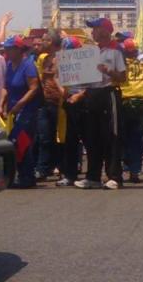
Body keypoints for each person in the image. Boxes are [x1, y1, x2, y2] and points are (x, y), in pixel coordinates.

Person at [75, 18, 126, 190]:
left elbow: (123, 77)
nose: (92, 32)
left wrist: (109, 71)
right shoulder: (91, 51)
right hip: (92, 94)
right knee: (92, 137)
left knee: (111, 135)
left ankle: (114, 176)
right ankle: (93, 176)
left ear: (105, 30)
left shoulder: (116, 50)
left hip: (108, 93)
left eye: (95, 29)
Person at [0, 35, 40, 189]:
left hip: (27, 111)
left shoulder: (28, 65)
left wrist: (20, 104)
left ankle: (27, 177)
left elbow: (34, 88)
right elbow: (5, 87)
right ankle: (22, 175)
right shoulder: (9, 65)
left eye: (9, 48)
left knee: (21, 142)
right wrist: (1, 104)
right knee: (14, 142)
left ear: (18, 49)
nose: (7, 51)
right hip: (13, 111)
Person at [119, 38, 143, 183]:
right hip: (139, 104)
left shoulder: (121, 65)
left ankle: (129, 168)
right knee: (135, 139)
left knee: (125, 138)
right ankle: (134, 171)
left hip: (126, 104)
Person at [56, 36, 86, 187]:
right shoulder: (62, 64)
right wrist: (65, 92)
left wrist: (79, 95)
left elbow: (92, 85)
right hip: (69, 103)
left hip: (84, 103)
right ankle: (70, 174)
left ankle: (93, 174)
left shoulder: (87, 64)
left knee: (90, 140)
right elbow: (58, 80)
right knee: (70, 140)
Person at [34, 29, 64, 181]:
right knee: (44, 137)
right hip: (45, 103)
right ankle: (43, 169)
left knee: (61, 138)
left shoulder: (64, 58)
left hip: (61, 104)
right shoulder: (44, 59)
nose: (41, 42)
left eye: (44, 40)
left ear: (51, 42)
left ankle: (63, 167)